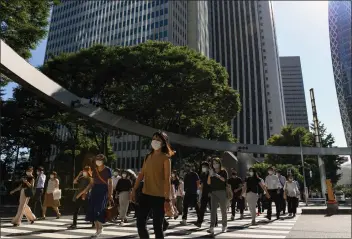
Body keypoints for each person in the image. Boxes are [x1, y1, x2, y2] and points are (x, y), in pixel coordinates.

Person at [132, 131, 173, 239]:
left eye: (158, 139)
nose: (155, 141)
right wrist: (134, 189)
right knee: (140, 224)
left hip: (159, 197)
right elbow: (141, 174)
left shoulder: (166, 158)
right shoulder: (148, 157)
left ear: (163, 143)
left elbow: (167, 179)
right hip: (145, 195)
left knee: (157, 228)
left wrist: (167, 200)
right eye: (154, 138)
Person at [83, 154, 113, 238]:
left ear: (103, 161)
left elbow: (110, 183)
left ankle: (100, 228)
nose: (98, 161)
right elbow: (92, 183)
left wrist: (110, 194)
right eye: (97, 159)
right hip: (94, 191)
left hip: (103, 191)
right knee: (93, 210)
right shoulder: (94, 170)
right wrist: (85, 191)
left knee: (99, 209)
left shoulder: (108, 170)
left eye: (100, 159)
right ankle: (97, 230)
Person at [207, 157, 228, 235]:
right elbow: (208, 183)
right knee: (213, 211)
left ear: (219, 163)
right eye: (214, 163)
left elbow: (224, 180)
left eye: (216, 163)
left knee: (223, 210)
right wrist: (210, 175)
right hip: (213, 192)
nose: (215, 165)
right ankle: (211, 227)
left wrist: (216, 175)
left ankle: (224, 226)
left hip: (222, 192)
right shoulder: (211, 171)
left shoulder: (223, 171)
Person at [195, 161, 217, 228]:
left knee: (212, 209)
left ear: (208, 167)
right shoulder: (202, 174)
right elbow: (202, 184)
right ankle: (199, 222)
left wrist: (211, 192)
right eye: (202, 167)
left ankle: (215, 222)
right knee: (202, 208)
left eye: (204, 167)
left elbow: (213, 184)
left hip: (211, 194)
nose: (203, 168)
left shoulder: (211, 174)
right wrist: (200, 193)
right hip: (204, 193)